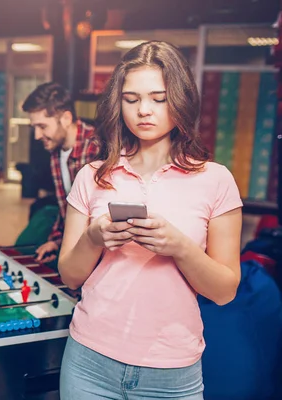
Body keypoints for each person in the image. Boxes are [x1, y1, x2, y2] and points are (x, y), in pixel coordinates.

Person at [58, 41, 242, 399]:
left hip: (171, 371)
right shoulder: (92, 176)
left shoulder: (215, 179)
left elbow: (224, 291)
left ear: (181, 99)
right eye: (132, 99)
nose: (144, 110)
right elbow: (70, 275)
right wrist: (94, 238)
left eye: (159, 98)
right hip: (88, 360)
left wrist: (179, 248)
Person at [21, 82, 98, 264]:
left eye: (42, 126)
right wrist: (56, 242)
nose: (37, 136)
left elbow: (97, 218)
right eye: (35, 128)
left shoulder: (97, 146)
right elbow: (66, 207)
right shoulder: (56, 151)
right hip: (73, 248)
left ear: (65, 118)